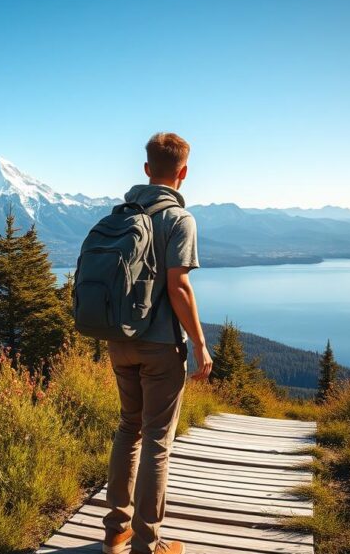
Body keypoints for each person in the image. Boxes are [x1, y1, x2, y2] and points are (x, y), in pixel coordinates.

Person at [102, 132, 213, 554]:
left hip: (119, 340)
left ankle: (116, 531)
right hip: (161, 346)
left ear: (147, 169)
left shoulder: (122, 213)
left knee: (128, 428)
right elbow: (178, 286)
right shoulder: (179, 219)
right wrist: (200, 345)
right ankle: (148, 544)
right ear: (183, 173)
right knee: (156, 442)